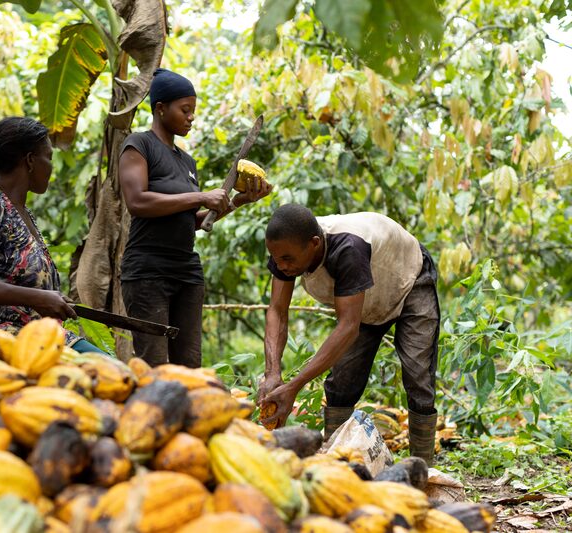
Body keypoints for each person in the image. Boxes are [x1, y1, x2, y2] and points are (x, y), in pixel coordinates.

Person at [257, 204, 440, 464]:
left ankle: (424, 469)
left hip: (408, 279)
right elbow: (277, 311)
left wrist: (294, 387)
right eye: (275, 258)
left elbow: (348, 327)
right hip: (362, 299)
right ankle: (335, 462)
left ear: (314, 244)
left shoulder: (348, 248)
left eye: (287, 259)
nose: (280, 265)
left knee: (418, 373)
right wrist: (272, 372)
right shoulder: (286, 248)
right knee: (343, 379)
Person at [119, 68, 272, 368]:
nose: (191, 118)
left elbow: (193, 220)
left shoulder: (186, 161)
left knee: (189, 365)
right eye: (185, 110)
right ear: (160, 108)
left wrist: (239, 200)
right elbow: (137, 202)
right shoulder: (139, 145)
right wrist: (201, 196)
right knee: (153, 364)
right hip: (148, 271)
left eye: (193, 111)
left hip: (186, 271)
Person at [0, 116, 103, 353]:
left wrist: (50, 300)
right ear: (30, 160)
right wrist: (37, 298)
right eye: (49, 158)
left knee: (111, 369)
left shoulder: (21, 211)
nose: (51, 167)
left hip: (38, 332)